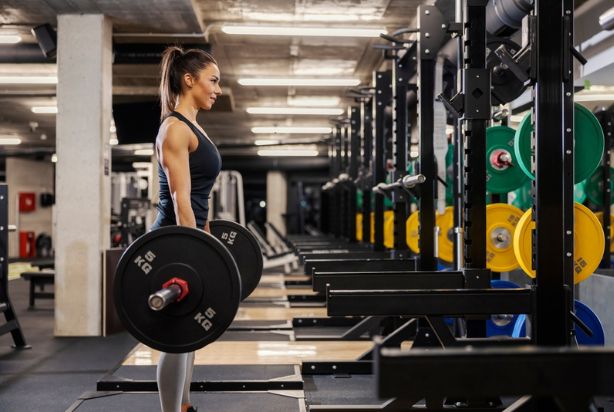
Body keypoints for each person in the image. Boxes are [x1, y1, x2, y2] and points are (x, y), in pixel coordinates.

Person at [151, 45, 222, 412]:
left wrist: (208, 244)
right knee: (176, 334)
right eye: (213, 80)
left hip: (189, 234)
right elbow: (181, 200)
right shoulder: (174, 129)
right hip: (172, 240)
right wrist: (193, 248)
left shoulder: (195, 128)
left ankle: (184, 405)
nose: (217, 89)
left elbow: (199, 198)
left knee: (190, 330)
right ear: (188, 79)